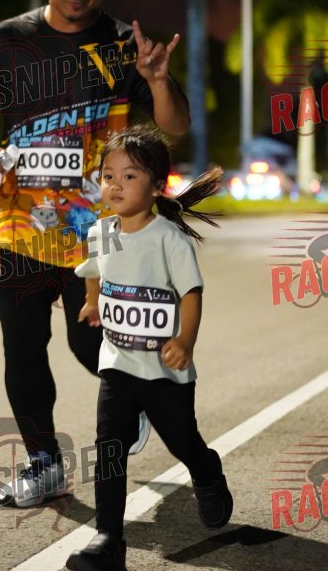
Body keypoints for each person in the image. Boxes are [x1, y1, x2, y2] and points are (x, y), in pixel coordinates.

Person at [0, 0, 191, 507]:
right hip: (19, 223)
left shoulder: (123, 45)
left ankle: (138, 396)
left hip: (99, 228)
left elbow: (176, 124)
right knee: (22, 347)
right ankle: (45, 465)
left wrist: (158, 80)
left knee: (93, 344)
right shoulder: (9, 39)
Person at [66, 124, 232, 571]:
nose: (115, 185)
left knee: (182, 441)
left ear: (157, 186)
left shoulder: (168, 239)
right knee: (109, 448)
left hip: (164, 372)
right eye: (108, 176)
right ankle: (108, 540)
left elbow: (191, 293)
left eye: (129, 176)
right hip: (117, 364)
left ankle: (206, 471)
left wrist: (185, 341)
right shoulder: (102, 232)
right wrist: (91, 301)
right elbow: (94, 270)